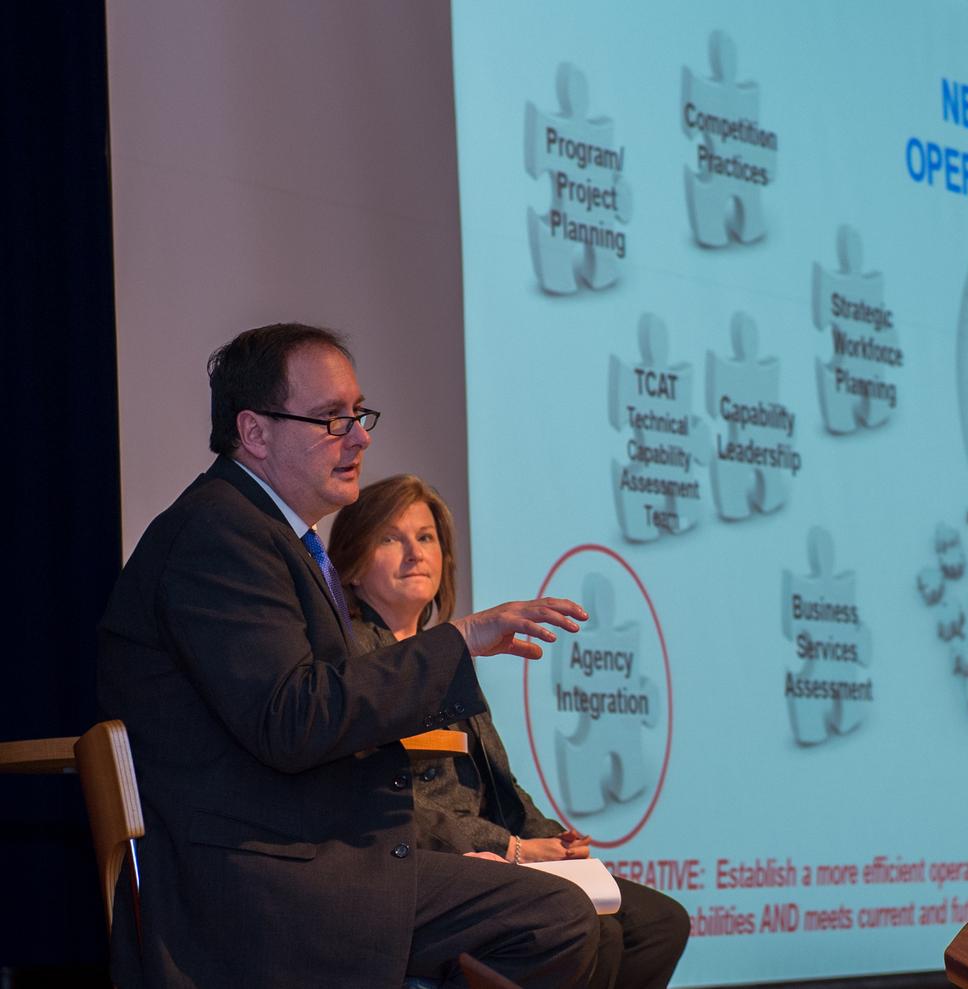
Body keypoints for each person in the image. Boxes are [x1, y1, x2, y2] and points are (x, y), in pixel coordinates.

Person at [97, 323, 601, 989]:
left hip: (310, 859)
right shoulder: (219, 533)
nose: (360, 436)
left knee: (576, 911)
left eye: (358, 414)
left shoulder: (275, 536)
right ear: (255, 432)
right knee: (553, 917)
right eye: (332, 419)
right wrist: (459, 639)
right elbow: (293, 718)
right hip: (258, 883)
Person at [329, 476, 690, 989]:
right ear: (353, 565)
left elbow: (498, 782)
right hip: (422, 863)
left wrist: (549, 840)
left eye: (426, 537)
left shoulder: (444, 654)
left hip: (493, 854)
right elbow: (375, 800)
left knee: (659, 924)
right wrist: (511, 849)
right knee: (598, 934)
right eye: (391, 538)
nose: (414, 553)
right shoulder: (354, 662)